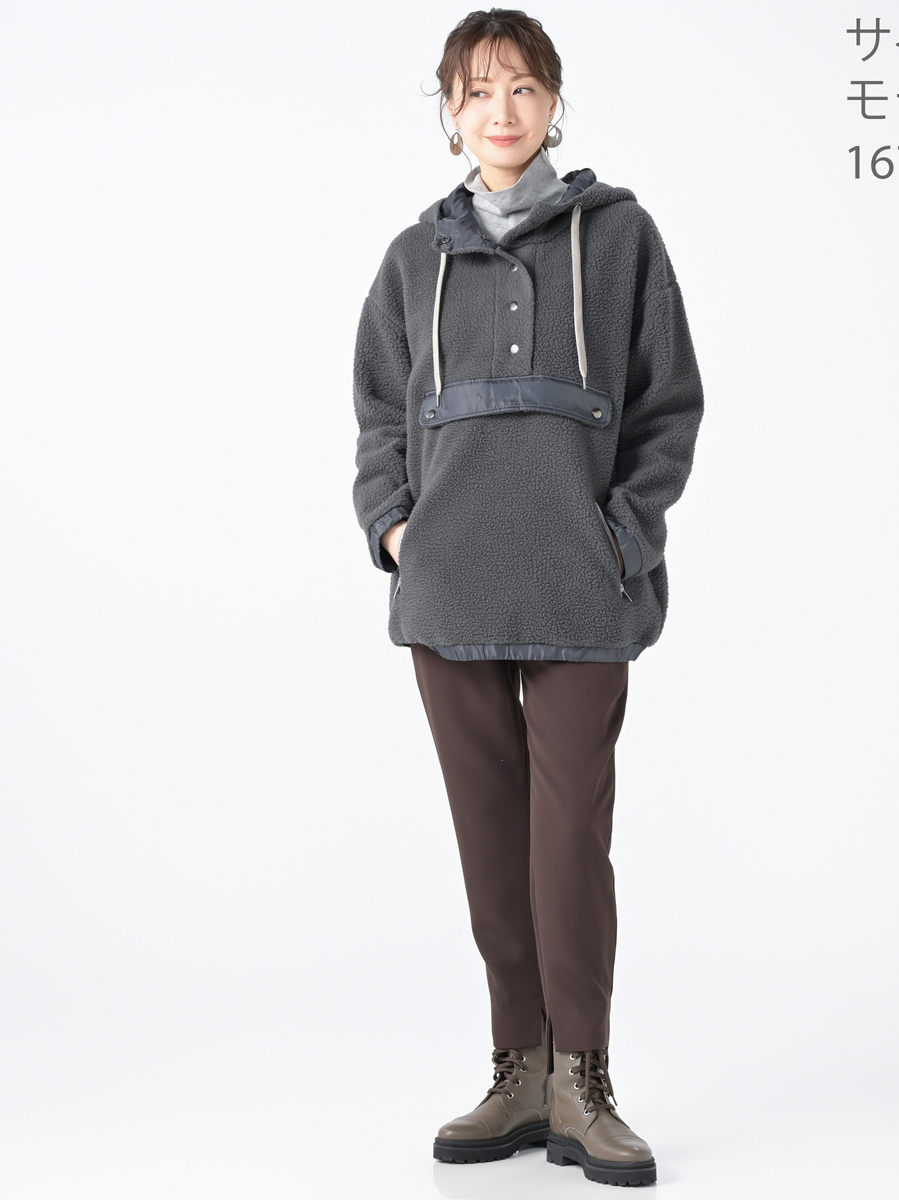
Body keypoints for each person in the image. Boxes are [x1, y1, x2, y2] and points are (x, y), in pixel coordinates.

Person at [351, 8, 703, 1188]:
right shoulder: (414, 258)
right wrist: (395, 527)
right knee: (490, 843)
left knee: (569, 844)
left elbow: (669, 404)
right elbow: (378, 412)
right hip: (448, 590)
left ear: (554, 101)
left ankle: (584, 1083)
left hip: (581, 588)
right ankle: (519, 1071)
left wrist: (623, 534)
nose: (499, 112)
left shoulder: (622, 236)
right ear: (449, 113)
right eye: (476, 91)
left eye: (522, 88)